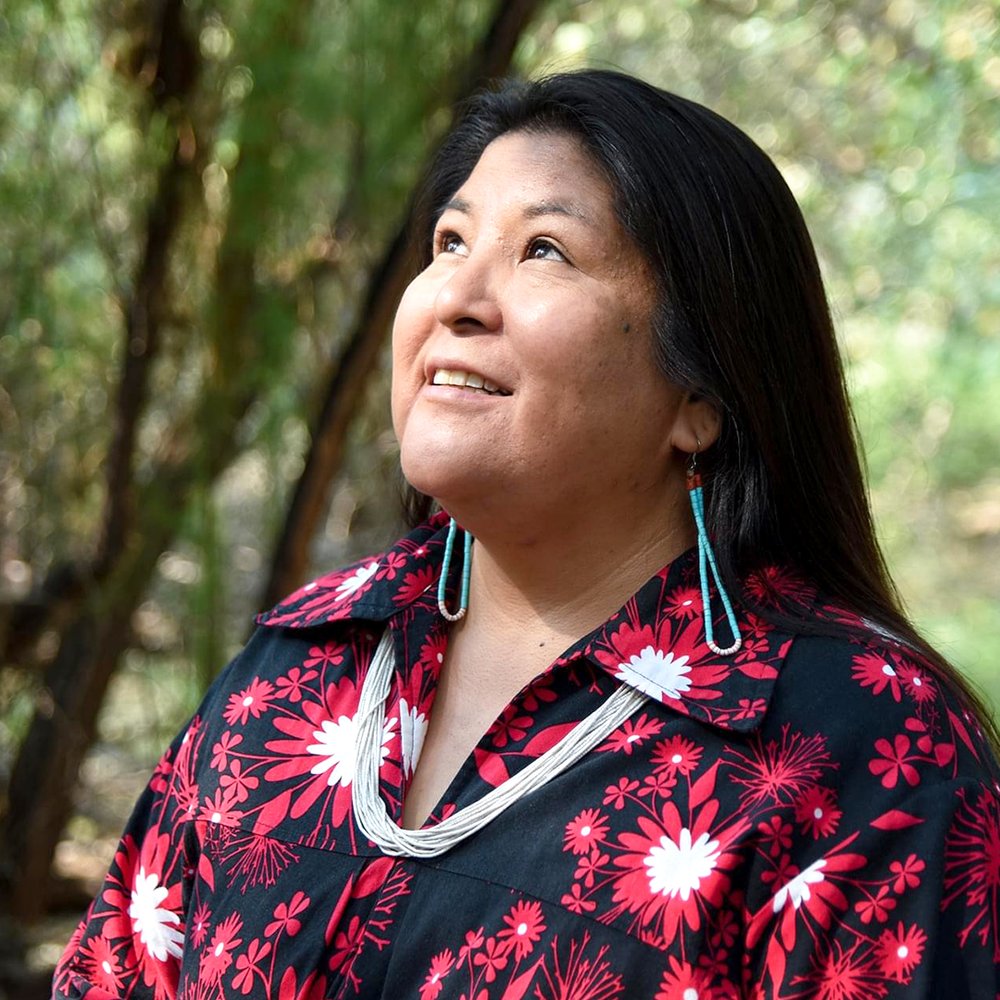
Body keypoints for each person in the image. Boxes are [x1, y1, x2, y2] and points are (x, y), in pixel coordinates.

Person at [54, 69, 1000, 1000]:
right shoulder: (306, 661)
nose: (456, 298)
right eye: (450, 240)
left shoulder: (862, 753)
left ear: (702, 395)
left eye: (544, 250)